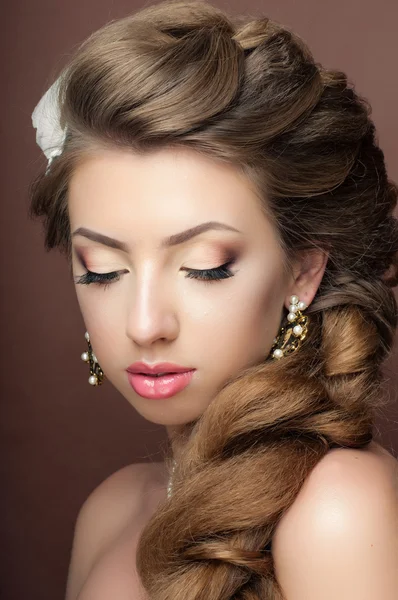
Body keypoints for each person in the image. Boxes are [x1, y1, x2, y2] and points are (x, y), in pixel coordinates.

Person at [29, 1, 398, 598]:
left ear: (303, 272)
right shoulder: (113, 508)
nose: (145, 324)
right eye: (102, 271)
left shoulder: (338, 508)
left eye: (204, 267)